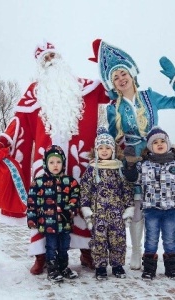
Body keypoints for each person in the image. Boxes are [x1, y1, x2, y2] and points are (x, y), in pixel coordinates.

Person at [0, 41, 110, 275]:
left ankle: (87, 252)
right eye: (44, 59)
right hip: (46, 162)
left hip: (78, 159)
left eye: (52, 56)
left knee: (82, 205)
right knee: (44, 208)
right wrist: (3, 142)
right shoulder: (33, 92)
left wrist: (110, 65)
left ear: (59, 58)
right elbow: (18, 123)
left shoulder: (84, 87)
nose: (50, 61)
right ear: (40, 65)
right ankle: (41, 255)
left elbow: (111, 91)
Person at [89, 39, 175, 270]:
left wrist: (174, 78)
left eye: (123, 73)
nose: (121, 79)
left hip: (156, 157)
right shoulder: (112, 107)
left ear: (132, 73)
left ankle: (160, 251)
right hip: (129, 160)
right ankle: (137, 251)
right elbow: (105, 134)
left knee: (157, 204)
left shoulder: (150, 96)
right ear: (112, 84)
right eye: (115, 77)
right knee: (137, 206)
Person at [80, 127, 135, 280]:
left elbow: (126, 190)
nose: (104, 151)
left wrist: (128, 209)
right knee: (99, 241)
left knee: (118, 240)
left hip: (116, 214)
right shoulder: (92, 169)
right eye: (101, 148)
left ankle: (117, 265)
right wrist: (87, 213)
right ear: (96, 150)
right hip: (98, 214)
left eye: (107, 148)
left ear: (113, 150)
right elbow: (85, 191)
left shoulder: (119, 168)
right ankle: (101, 266)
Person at [124, 127, 175, 279]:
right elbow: (132, 178)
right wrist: (131, 165)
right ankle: (149, 268)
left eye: (162, 141)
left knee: (170, 238)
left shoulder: (173, 164)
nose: (159, 144)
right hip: (152, 209)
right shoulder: (144, 165)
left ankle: (171, 267)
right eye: (155, 142)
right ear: (150, 147)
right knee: (151, 238)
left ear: (168, 144)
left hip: (171, 208)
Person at [27, 145, 80, 283]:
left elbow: (76, 196)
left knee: (64, 246)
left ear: (63, 163)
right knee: (51, 246)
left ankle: (63, 267)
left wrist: (72, 208)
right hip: (48, 223)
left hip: (65, 222)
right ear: (46, 164)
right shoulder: (39, 182)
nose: (55, 165)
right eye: (51, 162)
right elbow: (32, 201)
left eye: (58, 162)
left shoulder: (69, 181)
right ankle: (52, 269)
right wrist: (32, 218)